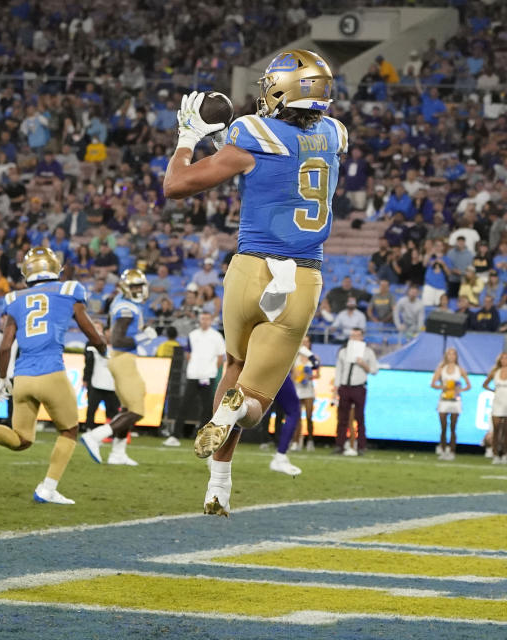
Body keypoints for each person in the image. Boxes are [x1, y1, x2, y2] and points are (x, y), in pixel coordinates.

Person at [163, 48, 344, 515]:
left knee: (234, 365)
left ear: (281, 88)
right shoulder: (333, 135)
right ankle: (227, 432)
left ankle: (218, 484)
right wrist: (225, 138)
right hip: (302, 277)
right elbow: (287, 153)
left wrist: (189, 137)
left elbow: (176, 185)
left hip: (249, 269)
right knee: (255, 403)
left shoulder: (250, 133)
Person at [0, 247, 107, 504]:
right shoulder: (68, 290)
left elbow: (6, 345)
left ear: (27, 272)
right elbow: (87, 326)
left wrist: (1, 378)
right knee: (69, 432)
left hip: (22, 377)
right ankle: (47, 488)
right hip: (51, 372)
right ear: (55, 267)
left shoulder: (15, 298)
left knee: (21, 440)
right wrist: (101, 347)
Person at [81, 268, 154, 466]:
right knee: (137, 410)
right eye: (134, 286)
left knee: (128, 408)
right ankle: (95, 436)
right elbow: (118, 339)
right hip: (123, 359)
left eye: (140, 285)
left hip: (120, 359)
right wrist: (144, 335)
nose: (138, 290)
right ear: (125, 287)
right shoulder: (126, 308)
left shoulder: (121, 302)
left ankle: (118, 453)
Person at [166, 311, 226, 448]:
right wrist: (195, 366)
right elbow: (188, 353)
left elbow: (220, 357)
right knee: (184, 405)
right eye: (202, 319)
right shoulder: (193, 335)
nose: (204, 321)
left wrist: (212, 371)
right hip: (193, 375)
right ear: (199, 320)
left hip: (208, 376)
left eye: (207, 319)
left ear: (211, 320)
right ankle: (175, 435)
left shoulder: (216, 337)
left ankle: (204, 437)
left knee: (207, 407)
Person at [333, 328, 379, 456]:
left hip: (359, 387)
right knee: (342, 418)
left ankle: (361, 446)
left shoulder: (368, 352)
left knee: (360, 418)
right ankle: (339, 445)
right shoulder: (343, 351)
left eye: (357, 336)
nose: (354, 338)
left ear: (362, 337)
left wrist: (363, 364)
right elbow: (339, 371)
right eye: (352, 336)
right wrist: (336, 388)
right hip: (345, 386)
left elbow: (374, 370)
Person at [430, 347, 470, 461]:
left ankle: (452, 451)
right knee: (443, 427)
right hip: (444, 400)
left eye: (453, 354)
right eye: (449, 354)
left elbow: (468, 385)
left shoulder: (460, 370)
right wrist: (442, 387)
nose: (451, 357)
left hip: (455, 400)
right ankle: (443, 450)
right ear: (446, 356)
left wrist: (459, 390)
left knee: (453, 427)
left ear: (456, 356)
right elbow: (433, 383)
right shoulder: (441, 369)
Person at [83, 321, 119, 432]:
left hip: (112, 384)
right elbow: (88, 361)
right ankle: (89, 428)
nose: (109, 335)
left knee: (112, 410)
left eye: (111, 333)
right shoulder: (94, 345)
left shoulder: (119, 348)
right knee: (92, 408)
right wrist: (86, 378)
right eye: (107, 333)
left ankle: (110, 431)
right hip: (96, 382)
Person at [267, 374, 303, 476]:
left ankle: (221, 459)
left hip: (250, 369)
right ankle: (280, 457)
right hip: (274, 369)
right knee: (293, 411)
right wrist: (312, 357)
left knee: (240, 407)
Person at [292, 337, 321, 451]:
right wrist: (299, 376)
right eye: (302, 341)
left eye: (306, 342)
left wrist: (309, 376)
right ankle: (296, 441)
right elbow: (293, 376)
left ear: (310, 344)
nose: (304, 343)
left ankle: (310, 440)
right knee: (297, 418)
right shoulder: (296, 358)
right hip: (298, 389)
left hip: (308, 390)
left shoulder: (314, 358)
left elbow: (318, 374)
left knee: (309, 417)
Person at [482, 352, 507, 465]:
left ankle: (505, 454)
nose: (504, 361)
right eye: (503, 358)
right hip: (497, 403)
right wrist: (493, 391)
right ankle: (496, 454)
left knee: (506, 431)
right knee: (496, 430)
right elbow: (485, 384)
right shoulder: (495, 372)